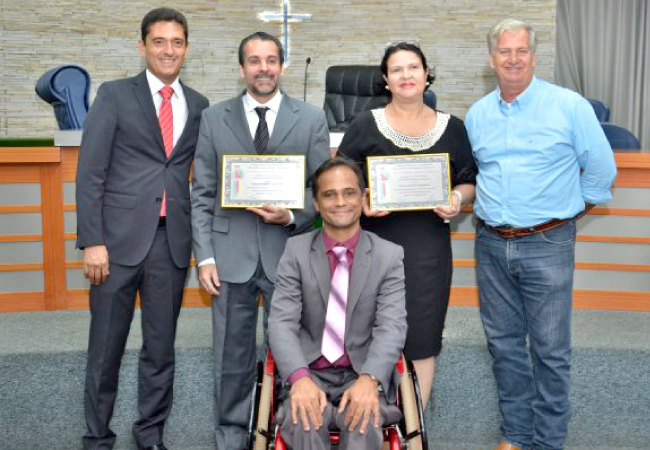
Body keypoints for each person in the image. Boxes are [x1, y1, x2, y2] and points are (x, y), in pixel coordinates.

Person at [465, 19, 617, 450]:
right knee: (504, 347)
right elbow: (476, 174)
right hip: (491, 243)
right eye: (504, 52)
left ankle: (548, 443)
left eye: (522, 51)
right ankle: (515, 435)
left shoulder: (569, 106)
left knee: (550, 351)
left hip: (547, 244)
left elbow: (602, 173)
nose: (513, 59)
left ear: (534, 56)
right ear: (491, 58)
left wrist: (564, 215)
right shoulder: (478, 115)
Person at [76, 7, 209, 450]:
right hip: (114, 245)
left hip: (171, 243)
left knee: (160, 349)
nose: (168, 50)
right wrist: (92, 240)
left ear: (186, 49)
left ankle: (149, 435)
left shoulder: (200, 104)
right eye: (159, 41)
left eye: (176, 42)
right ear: (142, 46)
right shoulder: (114, 95)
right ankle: (98, 437)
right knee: (105, 349)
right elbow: (90, 173)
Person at [190, 31, 330, 450]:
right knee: (231, 361)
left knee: (292, 355)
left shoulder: (311, 118)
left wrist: (291, 214)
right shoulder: (215, 118)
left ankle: (289, 435)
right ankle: (232, 439)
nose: (263, 68)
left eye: (271, 60)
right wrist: (205, 257)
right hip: (229, 257)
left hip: (289, 254)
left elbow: (325, 190)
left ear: (282, 67)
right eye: (254, 60)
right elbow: (202, 193)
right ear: (241, 69)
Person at [337, 42, 477, 406]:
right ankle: (367, 425)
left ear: (426, 73)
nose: (406, 75)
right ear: (386, 79)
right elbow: (339, 180)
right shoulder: (365, 125)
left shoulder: (453, 128)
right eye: (397, 69)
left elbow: (467, 180)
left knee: (422, 338)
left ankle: (412, 428)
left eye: (413, 67)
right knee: (369, 334)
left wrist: (458, 199)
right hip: (372, 249)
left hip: (427, 250)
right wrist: (362, 201)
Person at [268, 157, 407, 450]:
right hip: (309, 371)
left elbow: (391, 327)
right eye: (329, 194)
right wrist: (299, 378)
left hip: (362, 371)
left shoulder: (388, 256)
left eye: (349, 192)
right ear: (316, 203)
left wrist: (370, 379)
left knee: (362, 419)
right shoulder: (295, 251)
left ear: (363, 197)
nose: (340, 202)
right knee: (304, 419)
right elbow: (281, 324)